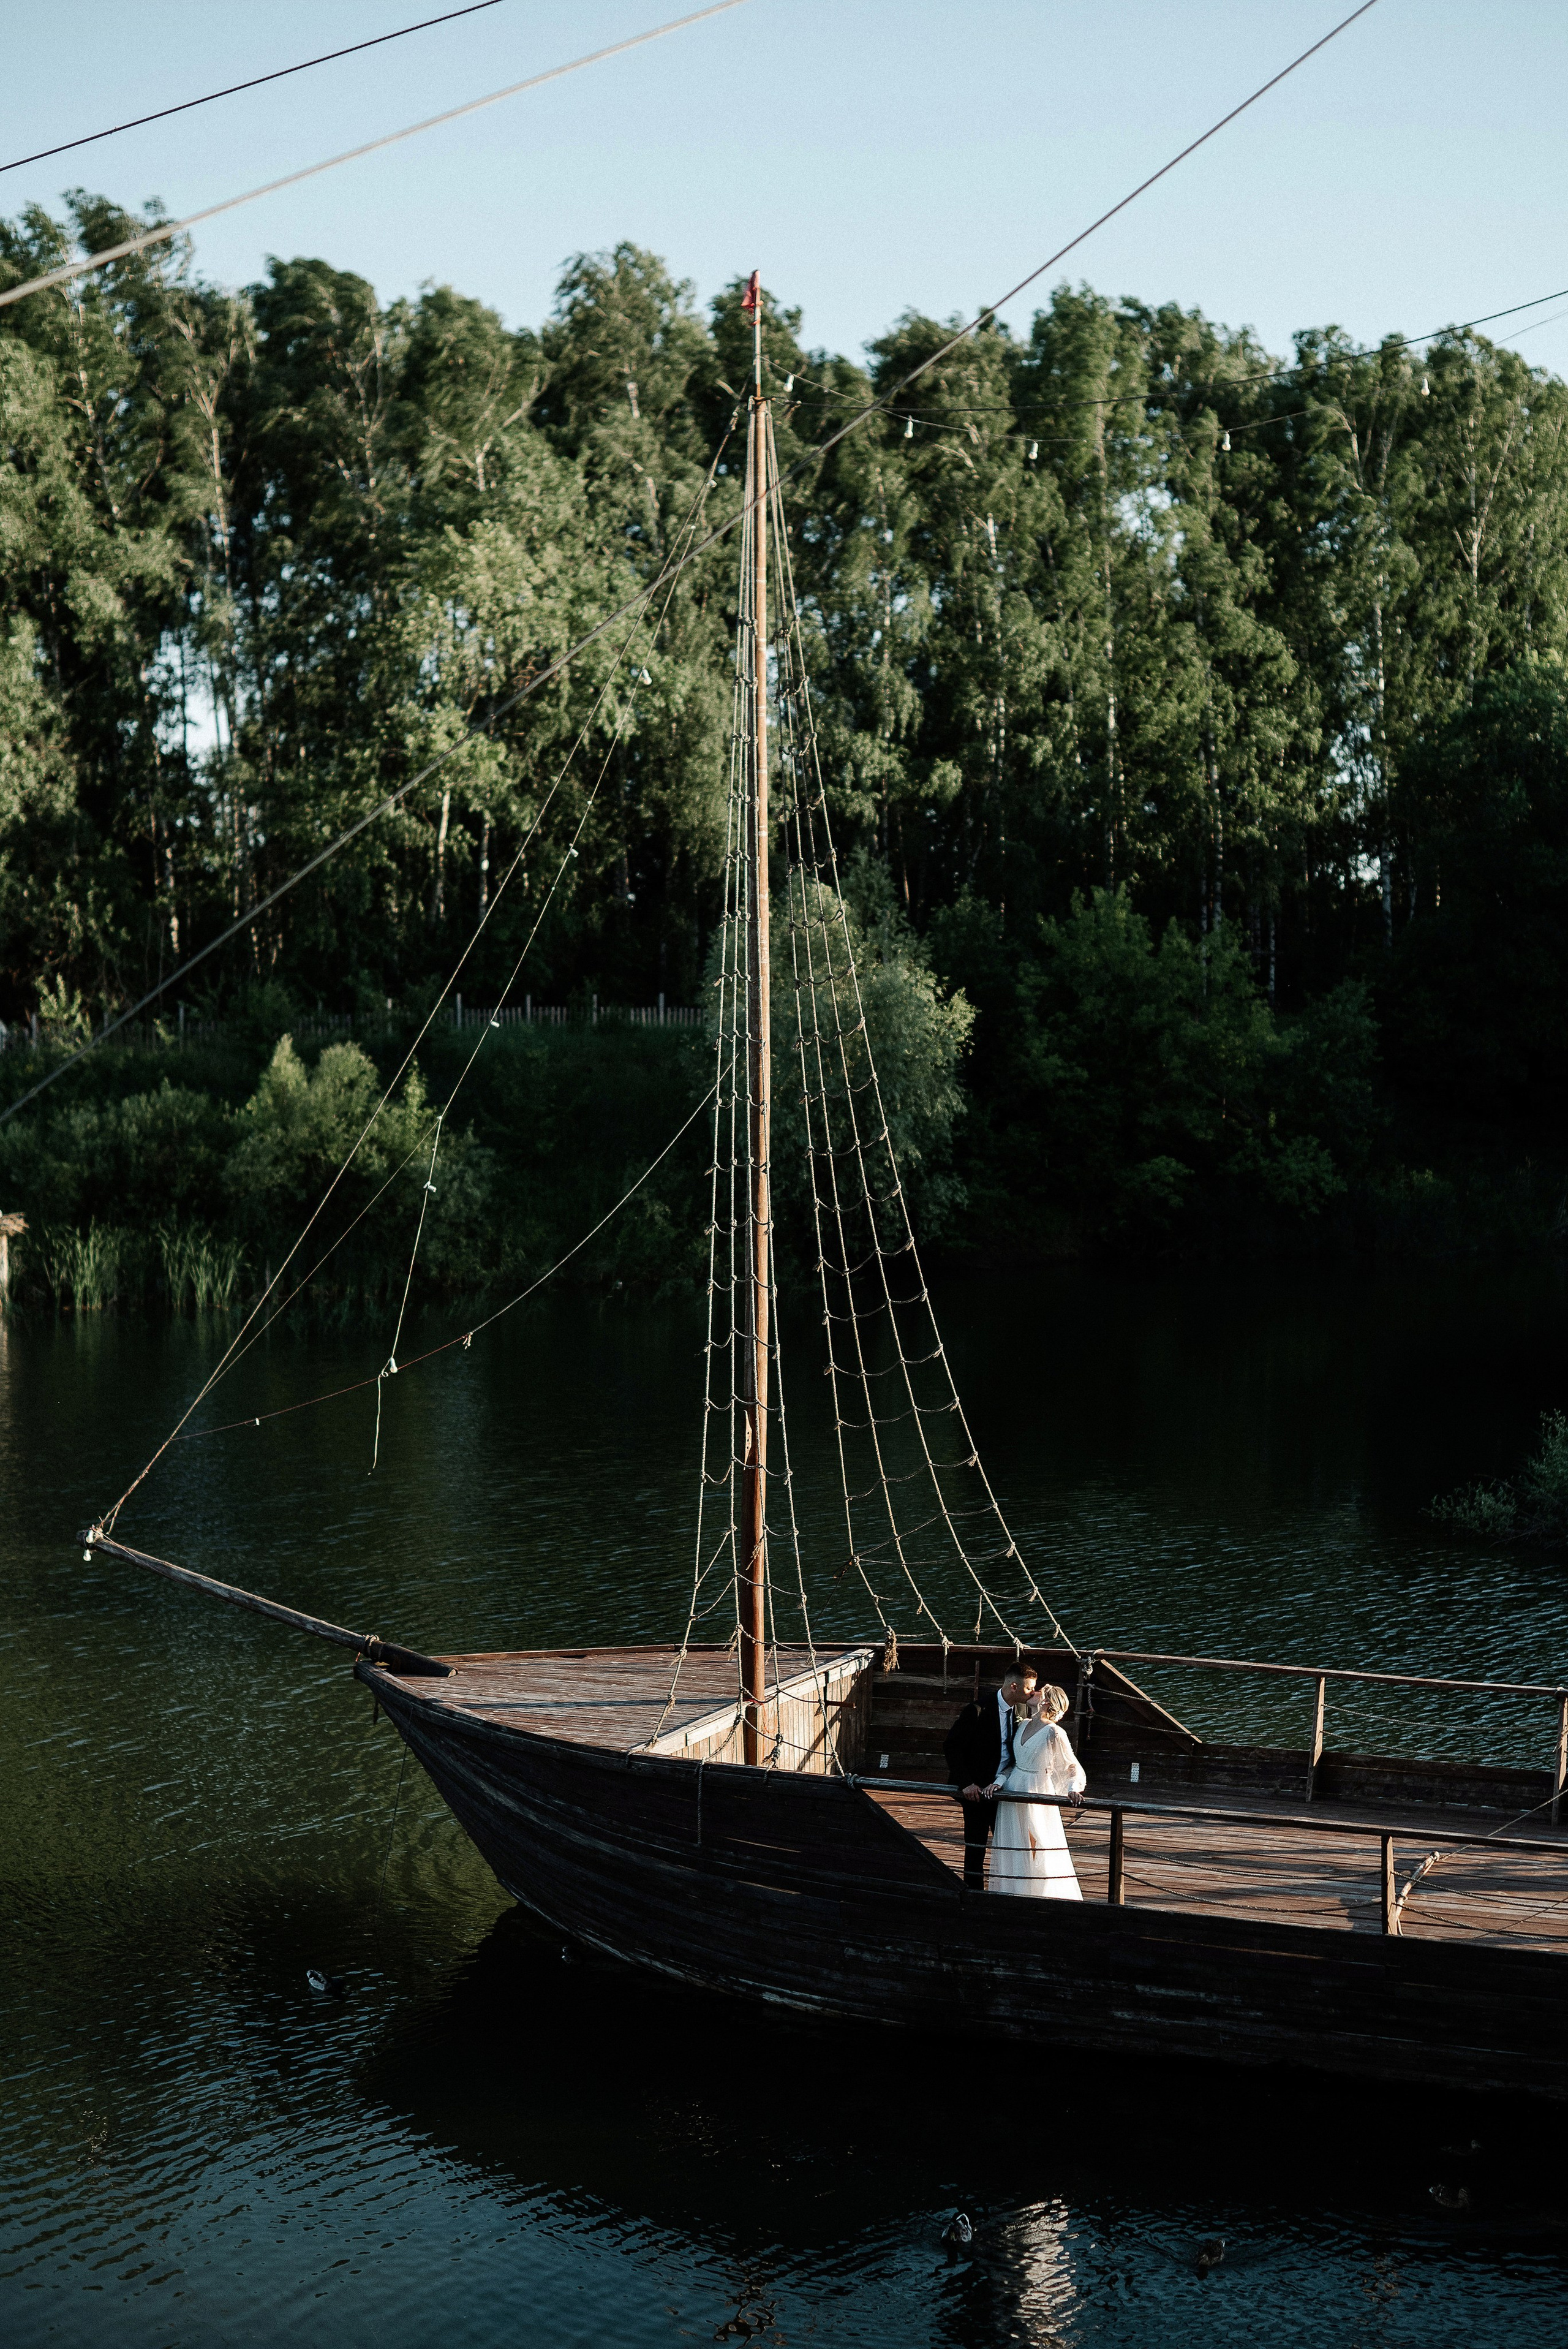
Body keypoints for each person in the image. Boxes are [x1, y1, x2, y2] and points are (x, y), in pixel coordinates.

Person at [943, 1662, 1038, 1891]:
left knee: (1010, 1843)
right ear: (1014, 1686)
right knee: (975, 1845)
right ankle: (973, 1893)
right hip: (976, 1792)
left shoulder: (1023, 1710)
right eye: (1029, 1689)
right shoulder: (977, 1710)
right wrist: (966, 1784)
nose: (1032, 1693)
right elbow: (952, 1747)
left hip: (1005, 1789)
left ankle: (1009, 1890)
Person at [990, 1682, 1085, 1899]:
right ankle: (1015, 1891)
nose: (1034, 1692)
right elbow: (1014, 1763)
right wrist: (999, 1781)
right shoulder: (1022, 1724)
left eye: (1039, 1691)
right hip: (1014, 1789)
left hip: (1037, 1788)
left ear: (1046, 1701)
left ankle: (1042, 1892)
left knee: (1039, 1841)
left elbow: (1071, 1766)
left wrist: (1073, 1788)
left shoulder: (1054, 1732)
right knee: (1014, 1840)